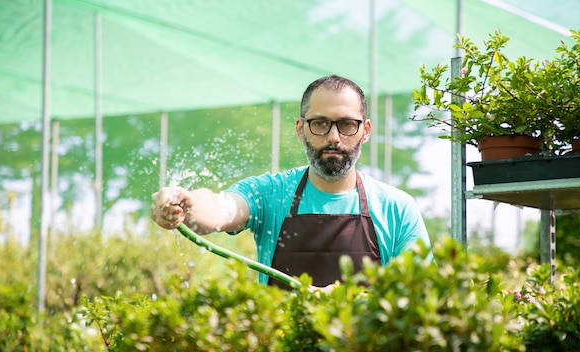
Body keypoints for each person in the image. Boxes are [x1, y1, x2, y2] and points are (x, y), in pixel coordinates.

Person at [151, 74, 430, 288]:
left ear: (365, 131)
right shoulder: (270, 193)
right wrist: (186, 205)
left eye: (346, 125)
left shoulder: (397, 208)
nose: (333, 137)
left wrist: (349, 299)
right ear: (301, 129)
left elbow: (417, 292)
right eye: (320, 123)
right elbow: (222, 209)